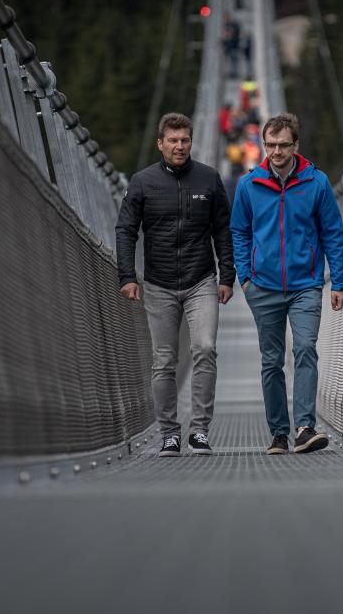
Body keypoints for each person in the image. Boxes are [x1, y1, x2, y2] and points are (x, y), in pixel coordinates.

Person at [117, 113, 235, 457]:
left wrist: (226, 275)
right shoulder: (142, 182)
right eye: (173, 140)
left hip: (201, 280)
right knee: (164, 360)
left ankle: (199, 430)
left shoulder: (209, 179)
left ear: (191, 141)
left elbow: (223, 231)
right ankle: (169, 432)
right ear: (160, 143)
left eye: (185, 140)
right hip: (158, 283)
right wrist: (126, 275)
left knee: (205, 348)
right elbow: (126, 230)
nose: (179, 146)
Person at [230, 113, 343, 455]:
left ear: (296, 145)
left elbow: (332, 233)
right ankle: (279, 435)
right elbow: (239, 231)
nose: (276, 151)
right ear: (263, 145)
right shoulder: (249, 185)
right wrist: (246, 277)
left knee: (305, 349)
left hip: (306, 284)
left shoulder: (317, 183)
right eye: (270, 145)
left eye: (283, 145)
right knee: (271, 360)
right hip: (262, 286)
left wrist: (338, 281)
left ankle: (305, 427)